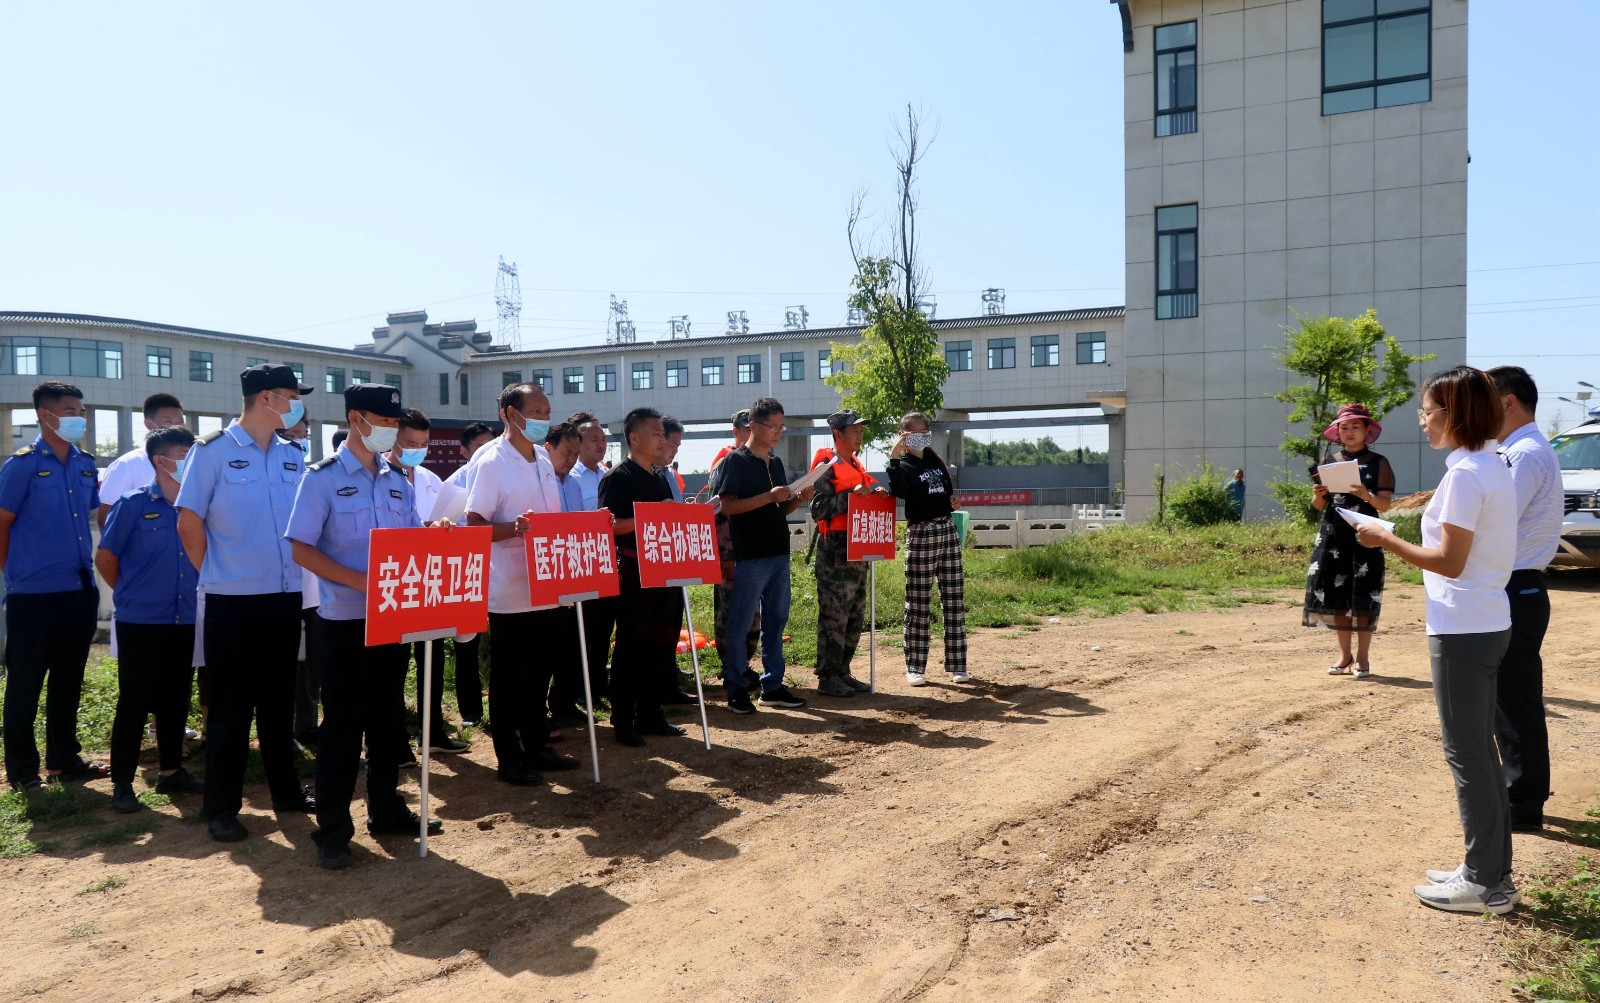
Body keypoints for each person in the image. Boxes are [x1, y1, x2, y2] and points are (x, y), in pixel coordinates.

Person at [1355, 366, 1519, 915]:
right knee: (1481, 752)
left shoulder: (1468, 475)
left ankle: (1484, 882)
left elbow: (1449, 562)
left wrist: (1383, 538)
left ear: (1455, 413)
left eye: (1427, 411)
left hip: (1463, 627)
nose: (1422, 421)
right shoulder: (1490, 466)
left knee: (1468, 753)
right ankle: (1490, 871)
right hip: (1486, 619)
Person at [287, 384, 442, 870]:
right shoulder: (322, 479)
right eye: (383, 421)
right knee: (342, 728)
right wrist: (360, 580)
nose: (391, 431)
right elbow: (301, 548)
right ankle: (333, 829)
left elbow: (412, 539)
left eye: (395, 424)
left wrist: (436, 538)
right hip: (344, 623)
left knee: (387, 719)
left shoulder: (399, 478)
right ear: (356, 418)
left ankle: (387, 809)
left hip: (393, 619)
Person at [176, 364, 316, 843]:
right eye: (293, 397)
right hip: (232, 601)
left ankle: (287, 794)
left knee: (278, 705)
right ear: (267, 398)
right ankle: (220, 808)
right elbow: (189, 523)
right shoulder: (212, 451)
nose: (299, 407)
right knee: (231, 712)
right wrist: (218, 575)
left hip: (284, 597)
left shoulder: (292, 455)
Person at [465, 383, 580, 786]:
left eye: (547, 412)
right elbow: (473, 525)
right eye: (536, 412)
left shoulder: (544, 461)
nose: (543, 419)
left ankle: (536, 746)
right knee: (509, 679)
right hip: (510, 590)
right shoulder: (491, 461)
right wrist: (513, 529)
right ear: (510, 414)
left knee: (538, 674)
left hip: (547, 585)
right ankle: (508, 757)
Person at [0, 381, 105, 790]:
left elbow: (89, 519)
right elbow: (3, 525)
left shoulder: (84, 464)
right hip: (33, 594)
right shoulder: (22, 465)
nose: (79, 417)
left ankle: (64, 760)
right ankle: (24, 771)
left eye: (80, 410)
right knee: (25, 684)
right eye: (69, 410)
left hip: (78, 590)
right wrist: (16, 574)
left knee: (68, 681)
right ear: (45, 415)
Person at [97, 426, 204, 811]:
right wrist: (132, 595)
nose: (190, 461)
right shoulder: (132, 504)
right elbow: (106, 558)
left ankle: (172, 773)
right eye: (183, 454)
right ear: (161, 461)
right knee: (135, 701)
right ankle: (122, 782)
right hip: (140, 619)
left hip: (184, 616)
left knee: (175, 698)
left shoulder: (197, 505)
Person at [1486, 365, 1565, 832]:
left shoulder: (1526, 453)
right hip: (1516, 585)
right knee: (1511, 698)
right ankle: (1522, 797)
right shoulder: (1518, 449)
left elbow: (1494, 516)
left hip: (1518, 585)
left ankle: (1523, 804)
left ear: (1508, 402)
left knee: (1515, 701)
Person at [716, 397, 812, 714]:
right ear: (754, 426)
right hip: (750, 555)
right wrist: (768, 496)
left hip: (778, 552)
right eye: (773, 426)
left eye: (781, 427)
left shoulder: (776, 463)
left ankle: (772, 686)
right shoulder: (735, 461)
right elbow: (728, 506)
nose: (778, 432)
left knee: (776, 620)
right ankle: (735, 688)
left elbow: (778, 508)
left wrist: (797, 499)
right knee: (741, 623)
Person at [599, 407, 688, 745]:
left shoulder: (658, 473)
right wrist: (650, 517)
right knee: (631, 648)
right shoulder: (618, 477)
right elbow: (608, 526)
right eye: (656, 433)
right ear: (635, 437)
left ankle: (651, 714)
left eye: (663, 434)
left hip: (664, 569)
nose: (662, 439)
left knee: (661, 645)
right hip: (633, 571)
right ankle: (623, 719)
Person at [389, 408, 468, 757]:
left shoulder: (431, 479)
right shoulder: (376, 474)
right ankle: (394, 744)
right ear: (393, 438)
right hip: (393, 583)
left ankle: (432, 730)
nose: (417, 450)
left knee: (431, 660)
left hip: (429, 582)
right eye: (410, 443)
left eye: (423, 444)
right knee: (392, 666)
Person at [1304, 403, 1395, 679]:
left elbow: (1386, 504)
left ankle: (1364, 658)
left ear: (1367, 430)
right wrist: (1319, 494)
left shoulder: (1379, 463)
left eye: (1356, 426)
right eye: (1344, 427)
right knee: (1336, 596)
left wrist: (1366, 495)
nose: (1350, 432)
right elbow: (1318, 505)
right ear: (1337, 431)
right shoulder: (1328, 461)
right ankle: (1345, 656)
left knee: (1364, 595)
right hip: (1333, 535)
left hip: (1365, 534)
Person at [809, 410, 889, 698]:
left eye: (860, 429)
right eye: (853, 429)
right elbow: (817, 508)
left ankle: (843, 671)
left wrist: (876, 491)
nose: (859, 434)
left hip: (858, 546)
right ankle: (827, 676)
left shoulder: (854, 463)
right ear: (837, 434)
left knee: (854, 614)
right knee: (835, 615)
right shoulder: (826, 464)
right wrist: (851, 496)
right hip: (835, 550)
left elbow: (866, 488)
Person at [887, 412, 970, 686]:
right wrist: (894, 456)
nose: (923, 436)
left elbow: (945, 492)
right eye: (916, 432)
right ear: (904, 434)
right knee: (919, 602)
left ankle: (958, 664)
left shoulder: (934, 460)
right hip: (922, 533)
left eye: (926, 431)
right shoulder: (904, 464)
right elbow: (898, 490)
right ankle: (915, 667)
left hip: (947, 529)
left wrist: (953, 502)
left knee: (954, 599)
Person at [544, 421, 601, 723]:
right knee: (548, 647)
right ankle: (540, 711)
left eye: (575, 454)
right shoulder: (540, 480)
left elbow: (579, 523)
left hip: (574, 569)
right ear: (548, 448)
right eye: (566, 452)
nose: (571, 459)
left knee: (574, 643)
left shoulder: (574, 483)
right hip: (548, 573)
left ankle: (564, 702)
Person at [443, 422, 495, 726]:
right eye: (479, 446)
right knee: (466, 645)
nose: (486, 451)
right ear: (464, 451)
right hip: (466, 573)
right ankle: (471, 710)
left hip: (500, 571)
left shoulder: (501, 473)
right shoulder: (454, 485)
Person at [279, 417, 321, 752]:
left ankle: (305, 727)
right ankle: (280, 735)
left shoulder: (313, 477)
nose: (300, 442)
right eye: (294, 436)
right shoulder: (274, 482)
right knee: (283, 665)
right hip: (279, 587)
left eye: (304, 435)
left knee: (310, 666)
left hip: (314, 589)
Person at [710, 408, 759, 673]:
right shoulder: (727, 463)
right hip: (731, 551)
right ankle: (731, 666)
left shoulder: (761, 460)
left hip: (753, 551)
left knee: (752, 612)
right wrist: (726, 556)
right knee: (730, 610)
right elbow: (719, 513)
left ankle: (745, 665)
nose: (752, 435)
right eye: (747, 430)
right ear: (736, 432)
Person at [98, 392, 186, 529]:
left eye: (180, 421)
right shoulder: (127, 464)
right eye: (168, 422)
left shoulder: (194, 462)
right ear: (149, 424)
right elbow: (106, 518)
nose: (177, 428)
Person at [570, 411, 608, 509]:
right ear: (578, 443)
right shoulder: (571, 478)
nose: (601, 445)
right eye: (594, 440)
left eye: (603, 439)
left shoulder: (608, 475)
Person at [662, 417, 686, 502]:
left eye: (677, 447)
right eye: (672, 446)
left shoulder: (672, 474)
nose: (675, 451)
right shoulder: (644, 473)